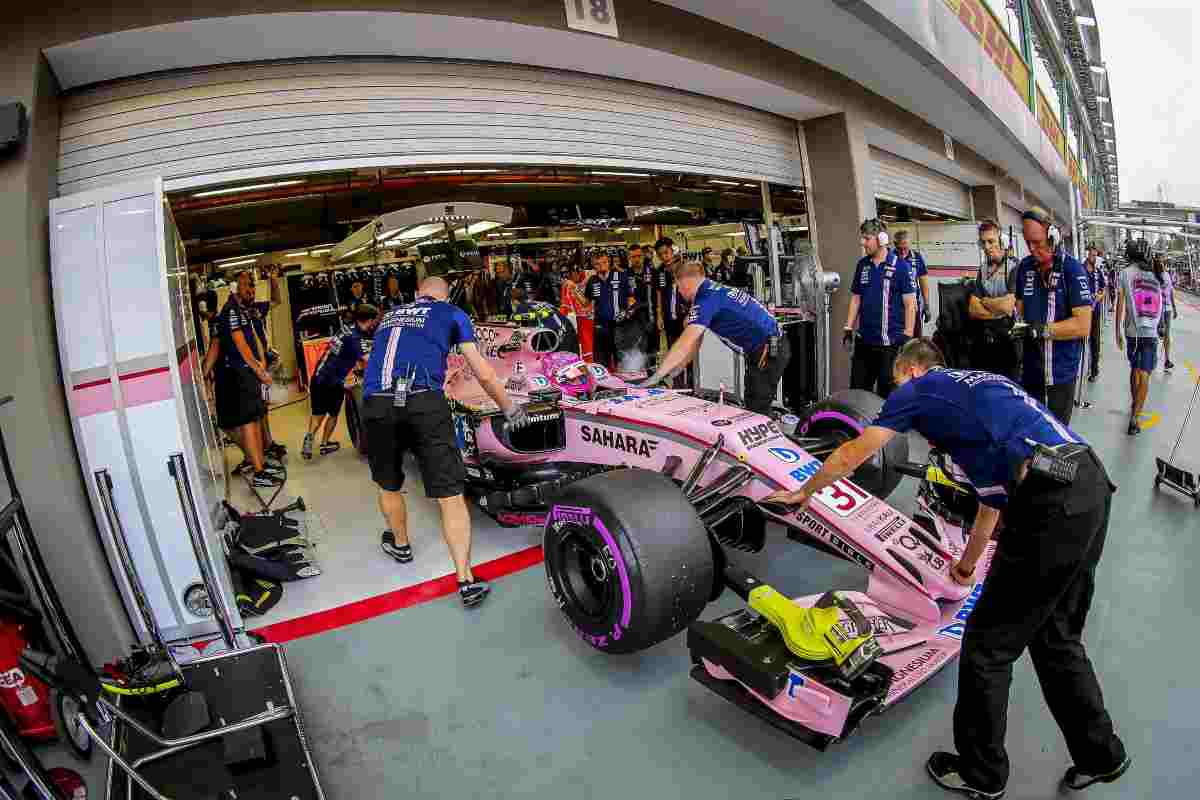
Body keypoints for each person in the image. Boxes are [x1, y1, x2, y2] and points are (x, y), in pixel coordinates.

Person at [762, 338, 1129, 800]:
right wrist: (965, 567)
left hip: (1049, 503)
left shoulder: (917, 390)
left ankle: (982, 774)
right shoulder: (980, 394)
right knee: (1056, 638)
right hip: (1089, 487)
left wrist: (805, 492)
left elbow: (855, 451)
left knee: (987, 647)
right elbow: (991, 504)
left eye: (896, 382)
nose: (897, 398)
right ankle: (1102, 755)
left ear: (913, 370)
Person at [361, 277, 528, 606]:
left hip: (377, 403)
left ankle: (401, 544)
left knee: (388, 483)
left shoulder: (391, 315)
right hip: (424, 401)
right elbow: (481, 371)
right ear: (447, 295)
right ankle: (466, 581)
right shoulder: (452, 313)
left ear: (415, 292)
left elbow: (393, 357)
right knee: (450, 494)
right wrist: (509, 407)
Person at [637, 261, 788, 413]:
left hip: (768, 351)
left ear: (686, 281)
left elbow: (684, 343)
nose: (680, 292)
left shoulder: (706, 299)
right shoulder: (712, 290)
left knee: (756, 410)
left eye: (678, 287)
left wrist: (656, 377)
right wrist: (677, 370)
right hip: (766, 349)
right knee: (752, 402)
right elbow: (694, 341)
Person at [1011, 207, 1092, 425]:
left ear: (1052, 236)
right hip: (1030, 371)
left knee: (1056, 439)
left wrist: (1043, 329)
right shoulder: (1024, 268)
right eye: (1027, 242)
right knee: (1030, 432)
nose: (1032, 248)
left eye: (1037, 242)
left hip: (1060, 372)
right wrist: (1016, 324)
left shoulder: (1072, 270)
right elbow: (1018, 308)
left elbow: (1083, 325)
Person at [202, 270, 281, 488]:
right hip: (239, 374)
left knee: (255, 419)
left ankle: (260, 463)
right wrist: (259, 370)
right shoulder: (230, 311)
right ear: (235, 288)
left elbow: (253, 339)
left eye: (253, 286)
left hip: (249, 374)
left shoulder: (244, 310)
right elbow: (240, 345)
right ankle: (258, 470)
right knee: (246, 422)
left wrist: (262, 362)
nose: (252, 290)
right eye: (247, 286)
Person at [844, 218, 917, 398]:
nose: (863, 242)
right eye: (862, 238)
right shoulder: (863, 265)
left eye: (867, 238)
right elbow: (856, 298)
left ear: (882, 239)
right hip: (864, 343)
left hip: (889, 346)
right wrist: (848, 326)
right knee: (858, 395)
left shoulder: (900, 266)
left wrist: (907, 334)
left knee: (887, 396)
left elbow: (910, 304)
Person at [302, 304, 378, 460]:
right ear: (369, 320)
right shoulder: (355, 338)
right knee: (333, 413)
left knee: (318, 412)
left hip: (318, 376)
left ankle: (309, 437)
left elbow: (348, 355)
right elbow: (366, 361)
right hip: (333, 380)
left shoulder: (346, 328)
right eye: (374, 321)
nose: (374, 324)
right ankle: (324, 444)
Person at [1114, 239, 1164, 436]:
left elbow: (1121, 303)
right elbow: (1160, 305)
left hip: (1132, 333)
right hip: (1150, 333)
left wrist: (1117, 330)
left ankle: (1134, 404)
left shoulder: (1125, 273)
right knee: (1145, 375)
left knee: (1134, 369)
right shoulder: (1156, 276)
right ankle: (1136, 415)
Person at [966, 220, 1019, 379]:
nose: (987, 247)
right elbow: (973, 309)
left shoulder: (1014, 267)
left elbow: (1007, 306)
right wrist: (997, 312)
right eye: (983, 242)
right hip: (985, 341)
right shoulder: (982, 270)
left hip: (1008, 342)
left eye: (991, 241)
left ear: (1001, 241)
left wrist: (986, 302)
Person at [583, 250, 635, 369]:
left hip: (621, 327)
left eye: (604, 262)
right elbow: (586, 303)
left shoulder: (621, 276)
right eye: (597, 263)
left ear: (609, 262)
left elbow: (631, 299)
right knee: (601, 363)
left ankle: (625, 385)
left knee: (623, 361)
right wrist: (574, 288)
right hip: (601, 327)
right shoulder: (592, 281)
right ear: (593, 265)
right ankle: (604, 386)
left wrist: (628, 313)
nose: (601, 265)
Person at [511, 288, 579, 353]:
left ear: (515, 301)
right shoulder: (541, 303)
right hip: (569, 332)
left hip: (557, 338)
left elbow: (514, 324)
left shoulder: (522, 306)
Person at [894, 230, 931, 336]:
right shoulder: (890, 258)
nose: (902, 252)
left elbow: (923, 283)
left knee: (915, 339)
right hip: (896, 308)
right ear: (895, 244)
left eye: (905, 248)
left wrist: (927, 305)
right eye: (899, 249)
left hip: (913, 306)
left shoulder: (916, 257)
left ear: (909, 244)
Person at [629, 244, 660, 364]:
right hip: (634, 318)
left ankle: (654, 373)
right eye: (633, 256)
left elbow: (658, 294)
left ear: (642, 256)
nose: (636, 259)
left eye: (638, 256)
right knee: (637, 348)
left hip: (651, 315)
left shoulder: (653, 272)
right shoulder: (626, 274)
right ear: (629, 258)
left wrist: (659, 315)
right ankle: (640, 376)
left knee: (652, 349)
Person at [560, 263, 593, 361]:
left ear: (576, 270)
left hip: (596, 317)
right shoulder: (567, 284)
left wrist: (575, 288)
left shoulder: (592, 276)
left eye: (571, 275)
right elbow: (564, 304)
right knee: (586, 348)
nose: (569, 278)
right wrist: (560, 318)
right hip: (580, 320)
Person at [1083, 245, 1107, 382]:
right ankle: (1081, 369)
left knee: (1095, 341)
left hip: (1095, 311)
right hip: (1082, 311)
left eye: (1095, 255)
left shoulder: (1098, 272)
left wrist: (1100, 296)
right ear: (1087, 255)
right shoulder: (1080, 270)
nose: (1094, 258)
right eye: (1092, 255)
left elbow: (1103, 288)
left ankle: (1094, 369)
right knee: (1080, 341)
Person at [1154, 253, 1179, 372]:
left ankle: (1167, 360)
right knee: (1157, 333)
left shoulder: (1167, 275)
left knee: (1167, 335)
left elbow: (1171, 292)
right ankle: (1153, 358)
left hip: (1167, 309)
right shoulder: (1155, 276)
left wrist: (1174, 308)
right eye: (1161, 260)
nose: (1163, 263)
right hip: (1158, 309)